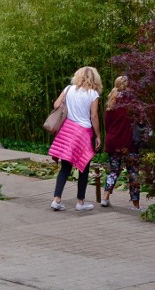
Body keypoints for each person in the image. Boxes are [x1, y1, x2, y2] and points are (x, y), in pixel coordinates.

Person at [48, 66, 102, 211]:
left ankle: (56, 200)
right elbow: (94, 116)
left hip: (67, 131)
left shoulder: (69, 89)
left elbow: (56, 105)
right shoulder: (93, 94)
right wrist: (98, 135)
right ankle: (80, 202)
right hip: (83, 133)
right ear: (94, 78)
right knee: (83, 167)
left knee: (65, 168)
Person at [102, 75, 141, 210]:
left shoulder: (111, 102)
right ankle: (136, 205)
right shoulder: (133, 102)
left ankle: (105, 197)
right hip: (129, 143)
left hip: (113, 142)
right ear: (129, 85)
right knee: (133, 173)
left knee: (113, 171)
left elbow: (106, 125)